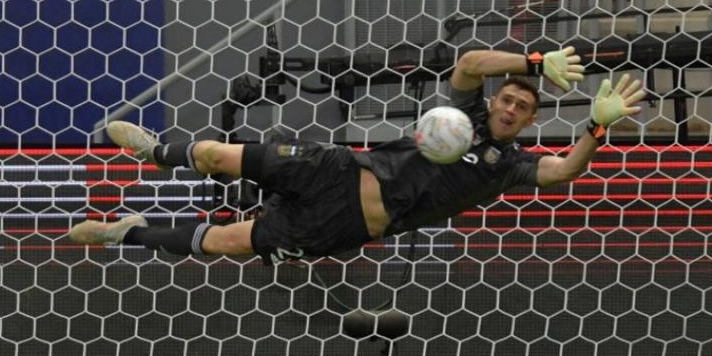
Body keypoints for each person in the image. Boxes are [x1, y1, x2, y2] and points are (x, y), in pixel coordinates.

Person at [68, 47, 645, 265]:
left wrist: (595, 126)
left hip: (344, 222)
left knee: (228, 242)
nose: (513, 107)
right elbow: (468, 62)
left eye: (524, 107)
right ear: (498, 100)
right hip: (340, 168)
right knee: (222, 154)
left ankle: (127, 234)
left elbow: (565, 169)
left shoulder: (510, 165)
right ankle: (158, 152)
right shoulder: (464, 114)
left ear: (530, 121)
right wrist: (533, 61)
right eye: (510, 98)